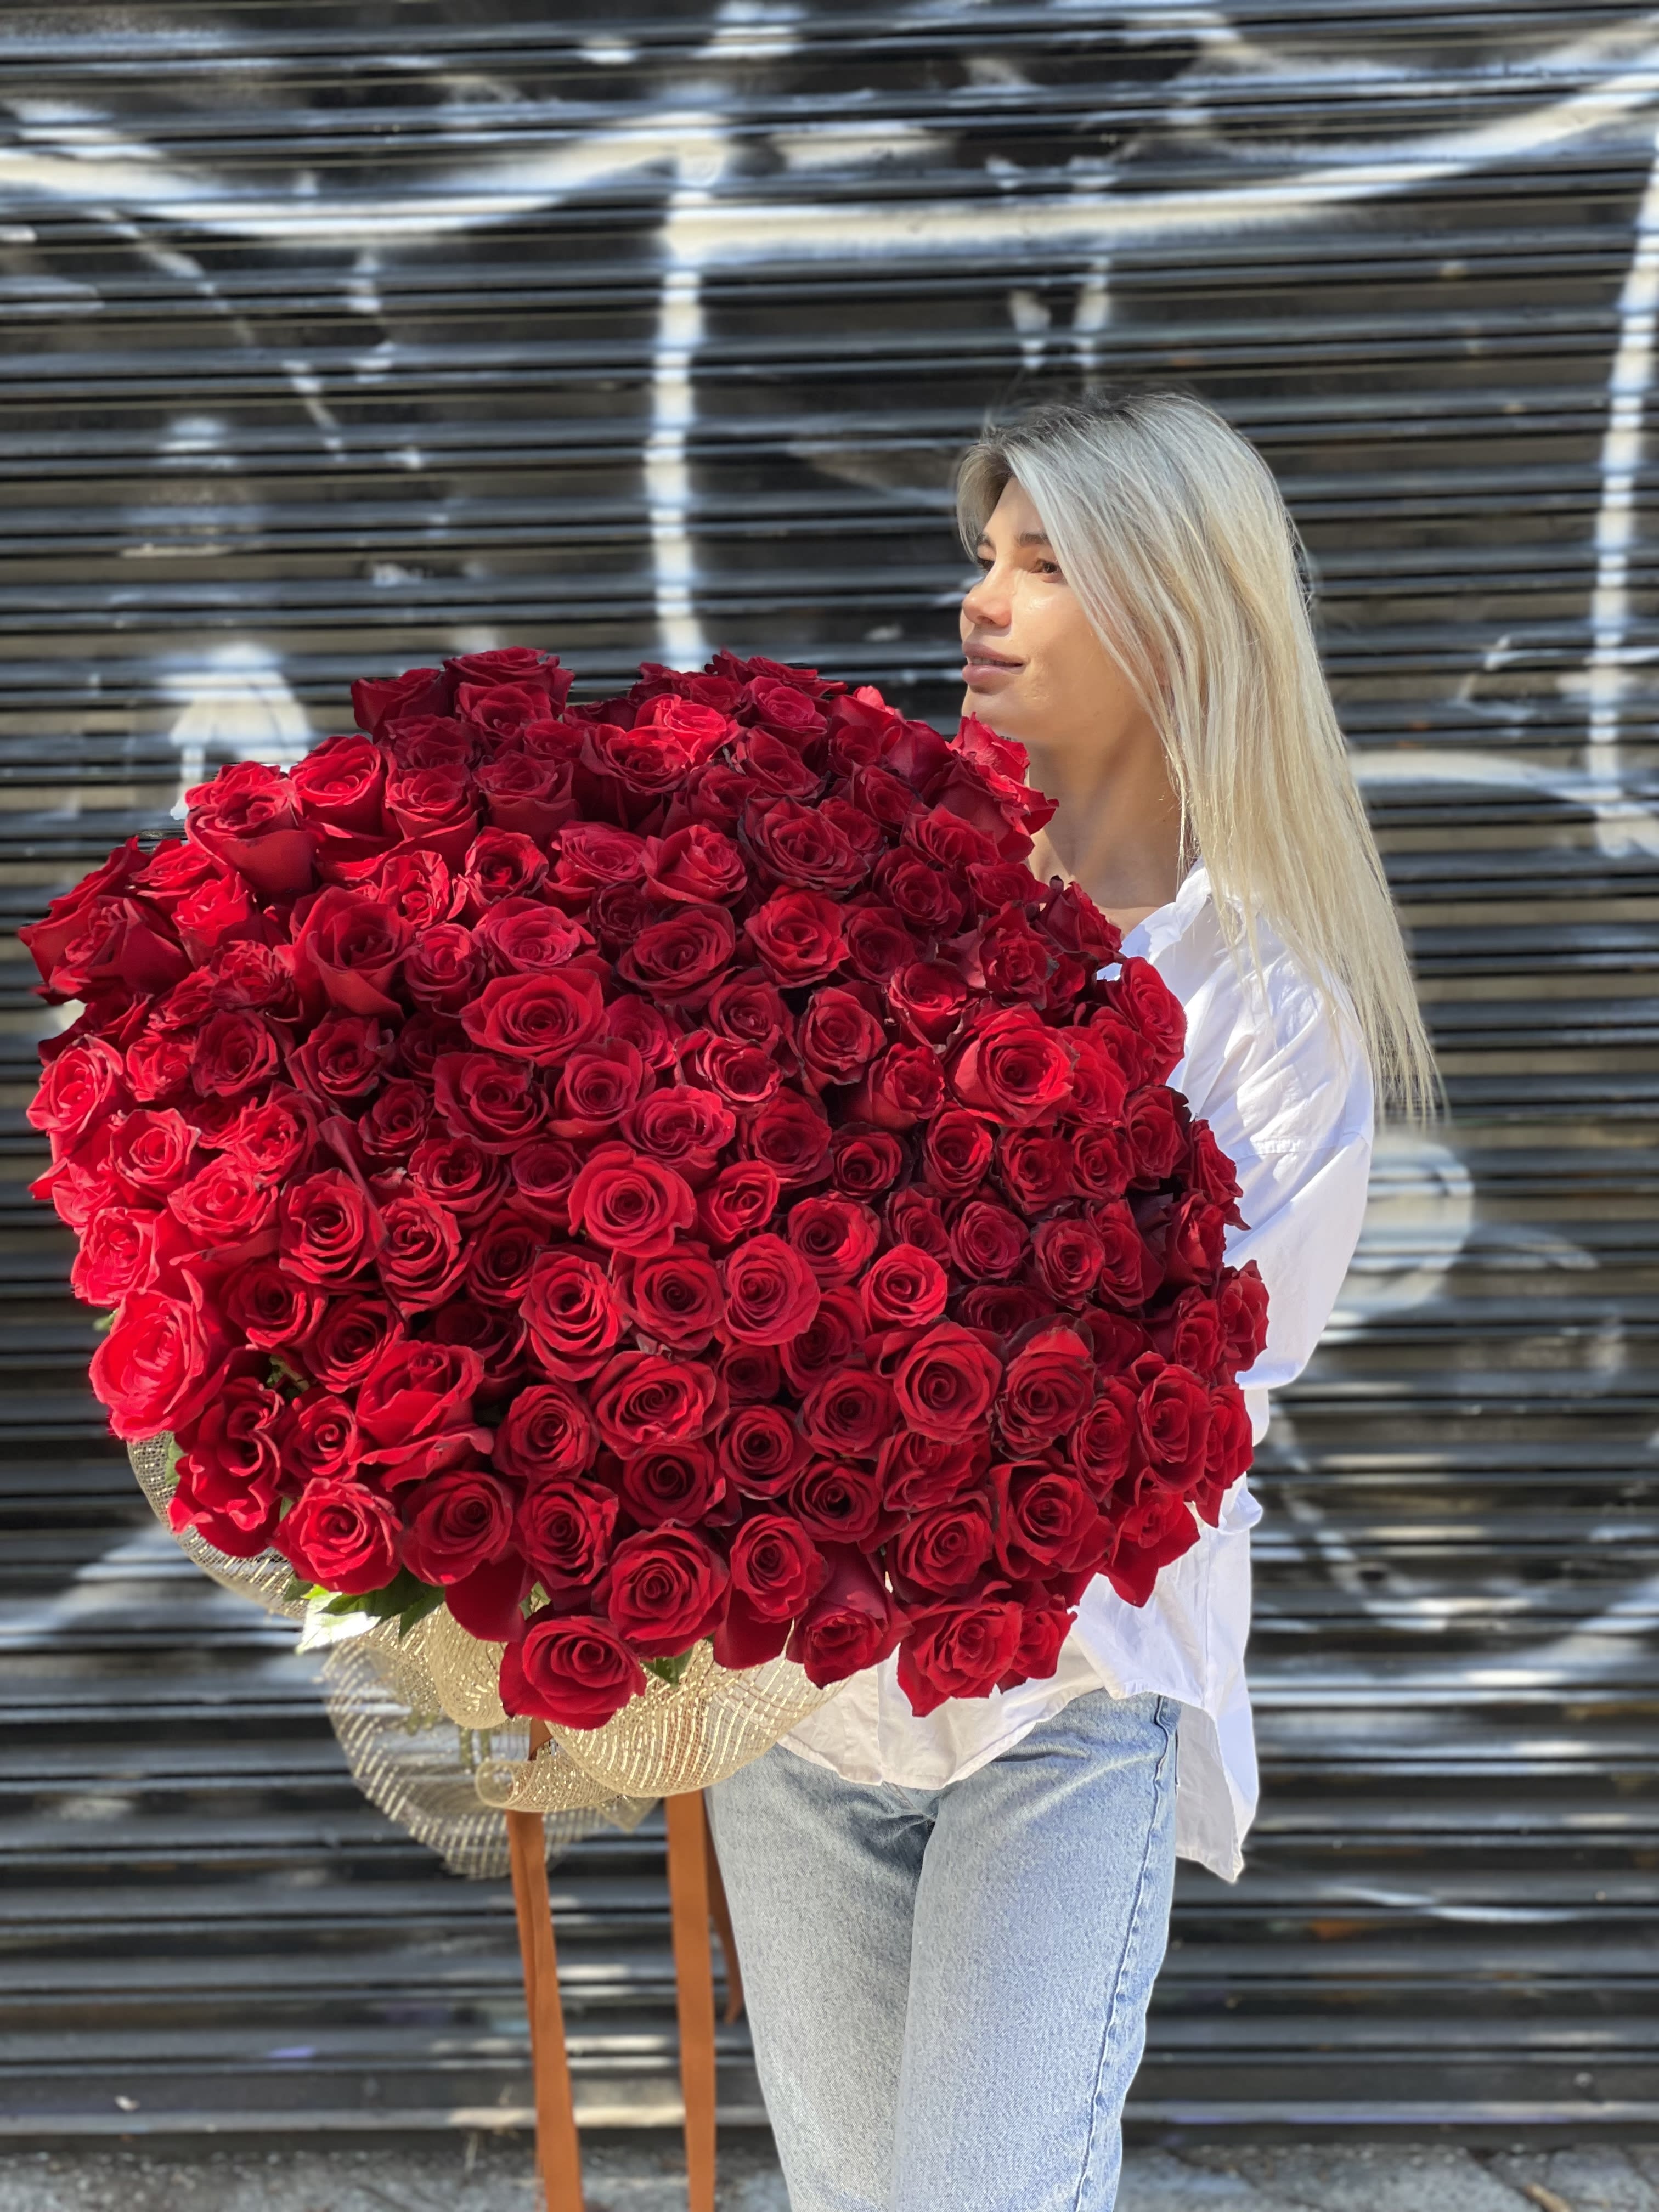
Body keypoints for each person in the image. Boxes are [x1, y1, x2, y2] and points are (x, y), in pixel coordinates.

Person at [705, 390, 1437, 2212]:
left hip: (1071, 1703)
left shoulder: (1274, 1006)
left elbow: (1198, 1405)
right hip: (797, 1715)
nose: (982, 603)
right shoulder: (866, 915)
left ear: (1178, 612)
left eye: (1044, 566)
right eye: (983, 558)